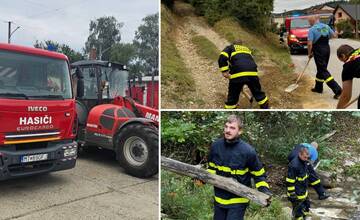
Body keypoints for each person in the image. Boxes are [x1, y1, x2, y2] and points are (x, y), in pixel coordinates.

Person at [207, 115, 271, 220]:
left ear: (240, 131)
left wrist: (264, 191)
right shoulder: (215, 146)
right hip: (219, 198)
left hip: (238, 200)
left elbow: (259, 175)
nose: (227, 130)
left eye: (232, 128)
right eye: (226, 127)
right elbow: (211, 169)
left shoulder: (248, 151)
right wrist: (202, 179)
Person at [218, 40, 269, 109]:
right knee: (258, 94)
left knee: (232, 98)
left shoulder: (230, 47)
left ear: (233, 44)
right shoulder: (247, 50)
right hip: (253, 73)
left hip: (238, 74)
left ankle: (231, 108)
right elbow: (249, 61)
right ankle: (265, 107)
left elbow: (222, 57)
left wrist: (224, 71)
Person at [286, 147, 329, 220]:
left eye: (307, 157)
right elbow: (290, 181)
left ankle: (304, 216)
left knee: (306, 206)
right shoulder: (294, 165)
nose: (306, 159)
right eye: (305, 157)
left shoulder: (304, 162)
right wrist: (292, 193)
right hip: (296, 192)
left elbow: (308, 176)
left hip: (302, 189)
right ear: (300, 154)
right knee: (298, 212)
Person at [307, 15, 342, 99]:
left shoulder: (312, 29)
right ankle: (318, 88)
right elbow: (334, 36)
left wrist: (309, 53)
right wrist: (336, 31)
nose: (309, 23)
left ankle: (338, 90)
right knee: (321, 69)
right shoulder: (326, 26)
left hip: (319, 50)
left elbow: (309, 44)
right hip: (326, 49)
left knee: (323, 70)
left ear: (313, 20)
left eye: (309, 21)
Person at [336, 45, 360, 109]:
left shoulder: (348, 65)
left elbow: (346, 96)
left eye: (342, 60)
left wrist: (338, 110)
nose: (344, 62)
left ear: (343, 56)